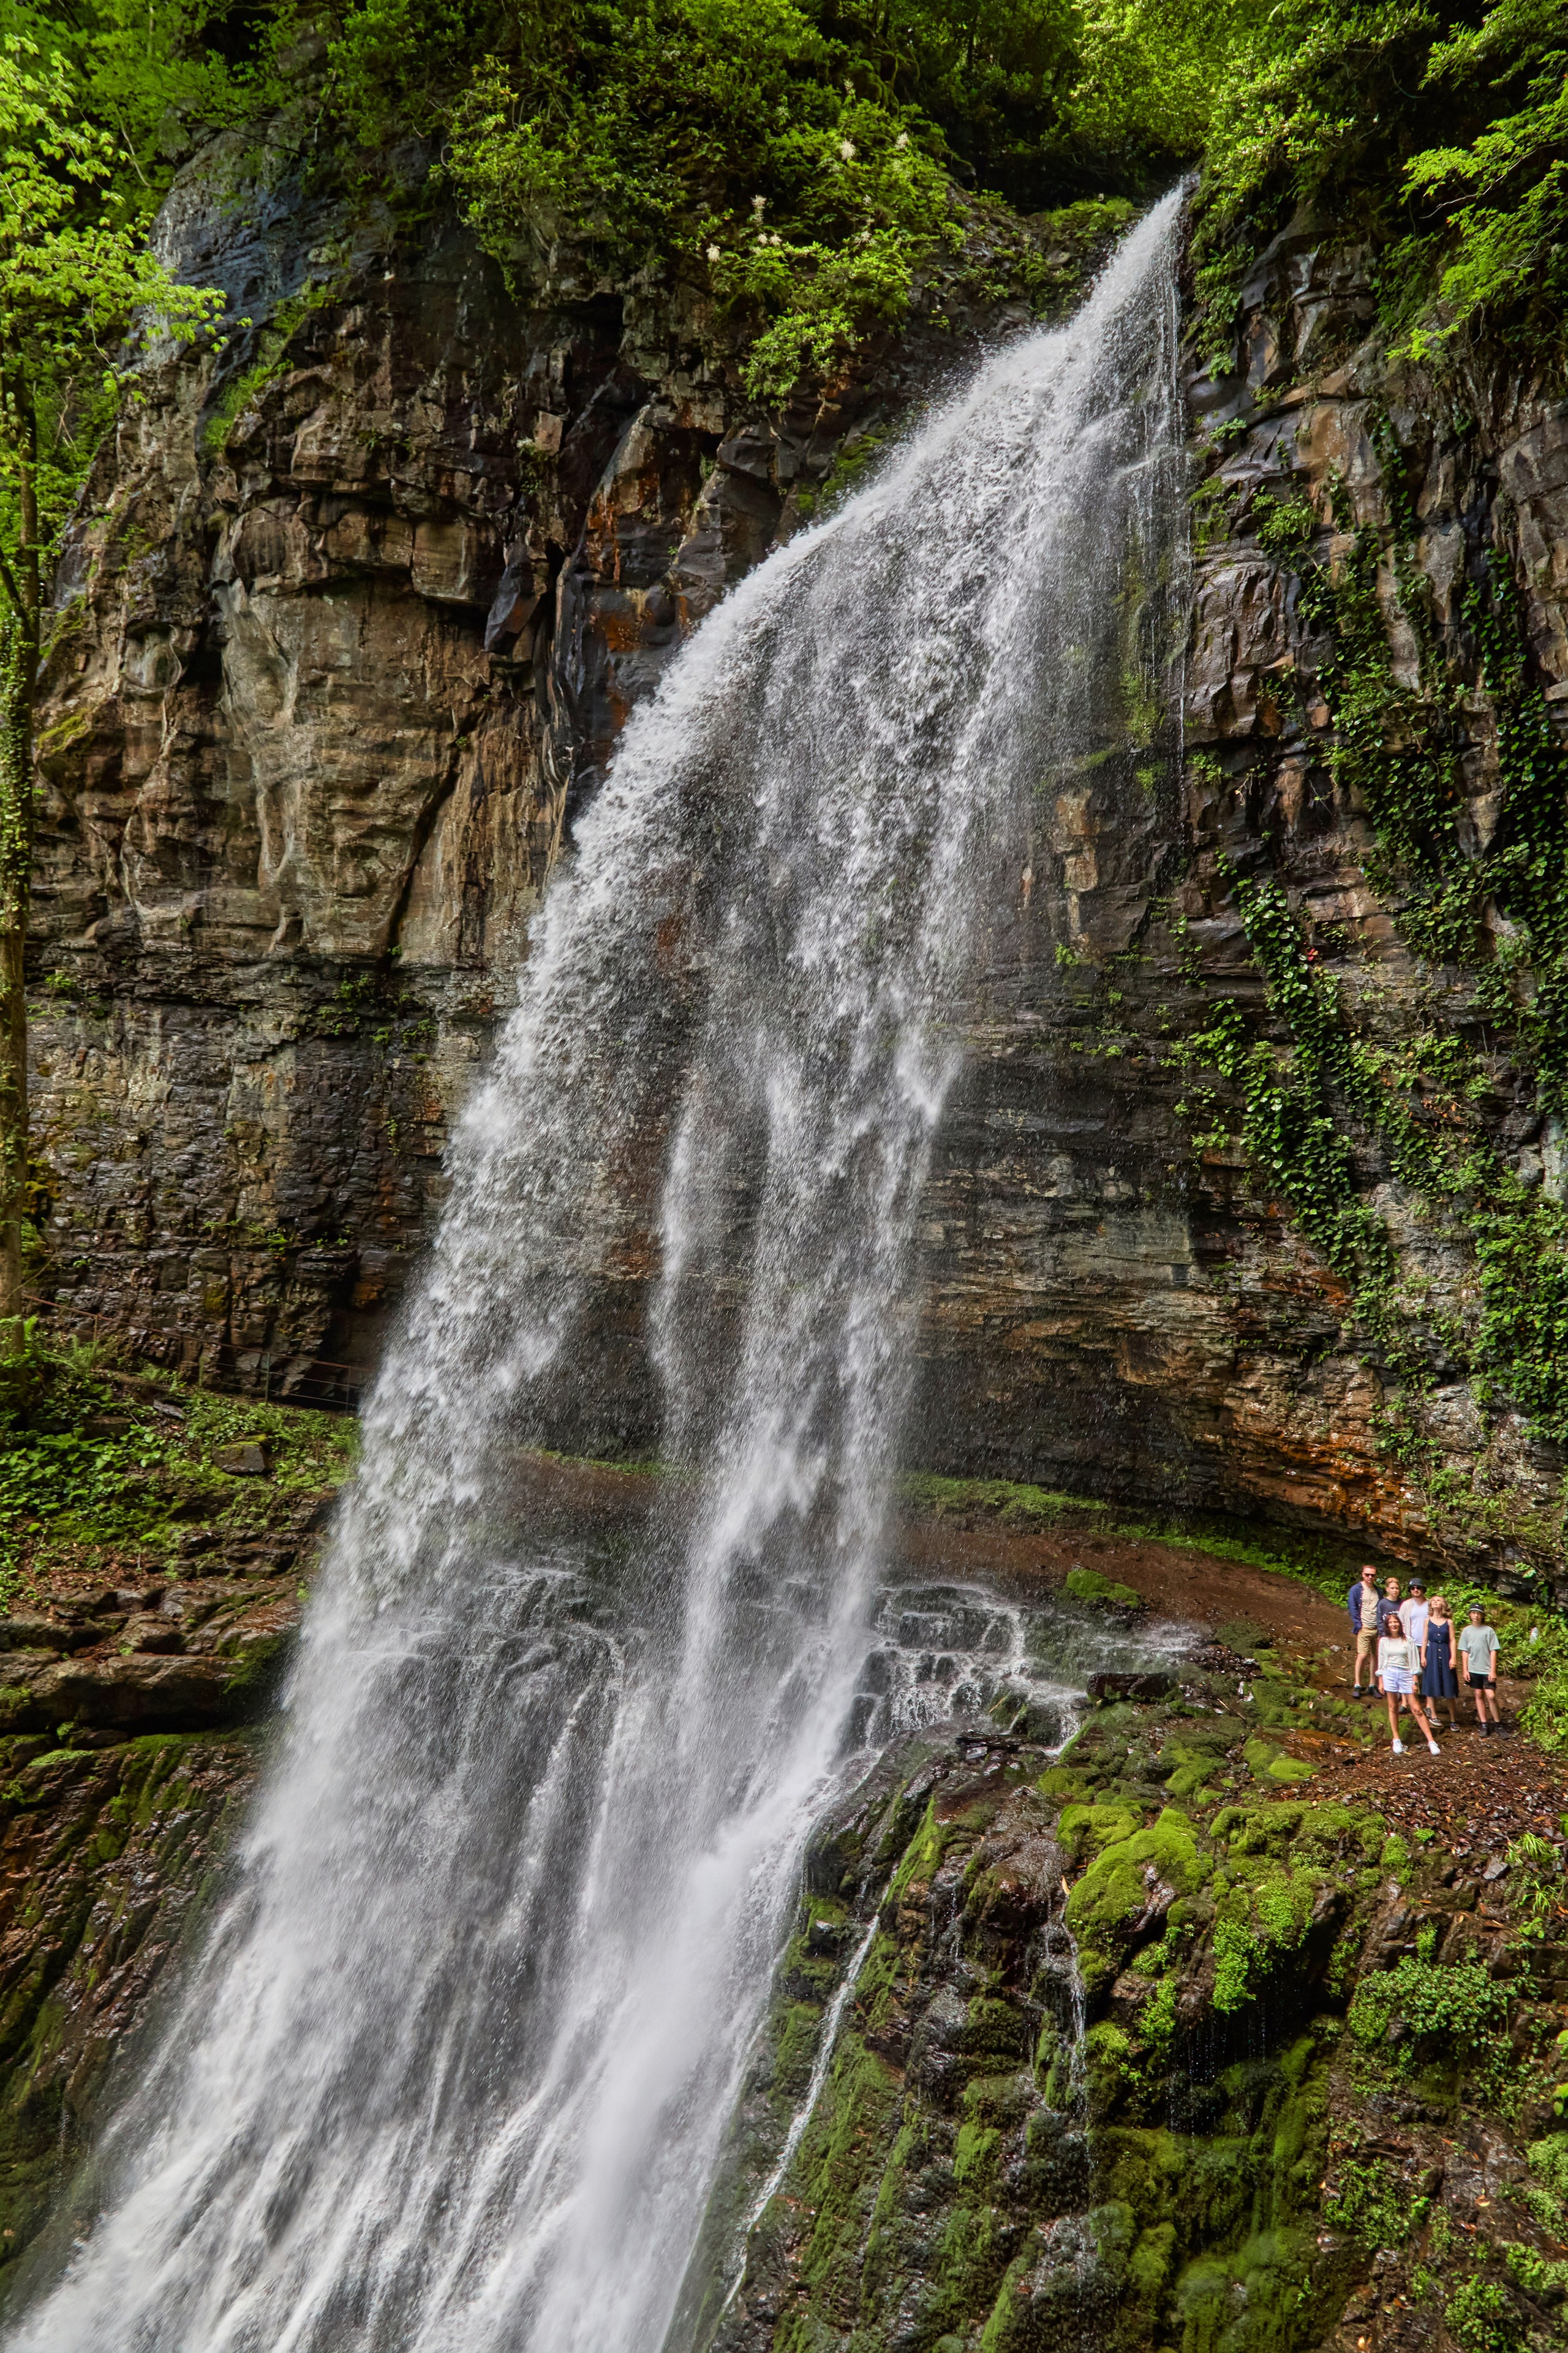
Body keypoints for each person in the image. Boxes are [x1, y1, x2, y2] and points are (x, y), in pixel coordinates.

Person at [1376, 1611, 1441, 1756]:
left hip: (1405, 1674)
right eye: (1391, 1622)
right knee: (1393, 1707)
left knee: (1417, 1709)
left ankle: (1431, 1741)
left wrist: (1415, 1680)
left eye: (1396, 1622)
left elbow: (1414, 1662)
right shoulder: (1384, 1641)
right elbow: (1381, 1662)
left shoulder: (1408, 1640)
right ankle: (1396, 1739)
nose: (1394, 1624)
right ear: (1387, 1625)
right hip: (1389, 1674)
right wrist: (1380, 1681)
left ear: (1400, 1624)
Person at [1458, 1603, 1501, 1734]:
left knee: (1491, 1695)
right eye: (1474, 1613)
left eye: (1479, 1613)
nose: (1476, 1616)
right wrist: (1465, 1670)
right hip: (1473, 1668)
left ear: (1482, 1616)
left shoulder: (1489, 1631)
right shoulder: (1466, 1631)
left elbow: (1493, 1650)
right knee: (1478, 1694)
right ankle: (1484, 1724)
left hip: (1486, 1668)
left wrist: (1493, 1670)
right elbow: (1465, 1651)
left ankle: (1498, 1723)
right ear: (1470, 1615)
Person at [1423, 1596, 1462, 1732]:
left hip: (1445, 1653)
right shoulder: (1428, 1621)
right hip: (1432, 1652)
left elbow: (1452, 1640)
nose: (1435, 1602)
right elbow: (1424, 1640)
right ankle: (1433, 1716)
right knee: (1431, 1682)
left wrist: (1453, 1658)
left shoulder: (1449, 1622)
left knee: (1449, 1685)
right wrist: (1423, 1656)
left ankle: (1453, 1719)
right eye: (1433, 1600)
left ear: (1443, 1604)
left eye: (1438, 1600)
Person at [1346, 1564, 1381, 1697]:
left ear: (1376, 1576)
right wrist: (1359, 1624)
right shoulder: (1356, 1590)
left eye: (1373, 1575)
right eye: (1367, 1574)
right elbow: (1353, 1607)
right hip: (1364, 1628)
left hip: (1376, 1629)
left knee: (1375, 1656)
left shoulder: (1379, 1591)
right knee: (1362, 1655)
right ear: (1363, 1574)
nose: (1370, 1577)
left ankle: (1373, 1685)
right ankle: (1358, 1684)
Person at [1404, 1581, 1430, 1694]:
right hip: (1411, 1642)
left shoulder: (1430, 1604)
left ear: (1423, 1589)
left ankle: (1427, 1694)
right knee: (1411, 1669)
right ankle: (1410, 1695)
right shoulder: (1406, 1605)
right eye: (1413, 1588)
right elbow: (1402, 1623)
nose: (1415, 1590)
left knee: (1427, 1669)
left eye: (1418, 1587)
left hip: (1428, 1643)